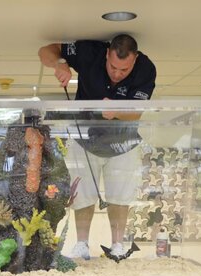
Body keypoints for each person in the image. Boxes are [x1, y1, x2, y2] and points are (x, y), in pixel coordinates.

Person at [39, 34, 156, 259]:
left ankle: (117, 245)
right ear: (106, 54)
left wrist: (117, 111)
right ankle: (82, 243)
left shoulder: (146, 69)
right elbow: (46, 49)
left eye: (124, 70)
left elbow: (136, 113)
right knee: (82, 194)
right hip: (84, 138)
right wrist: (60, 64)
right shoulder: (89, 53)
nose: (117, 74)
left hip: (124, 142)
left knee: (119, 196)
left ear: (136, 59)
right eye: (113, 67)